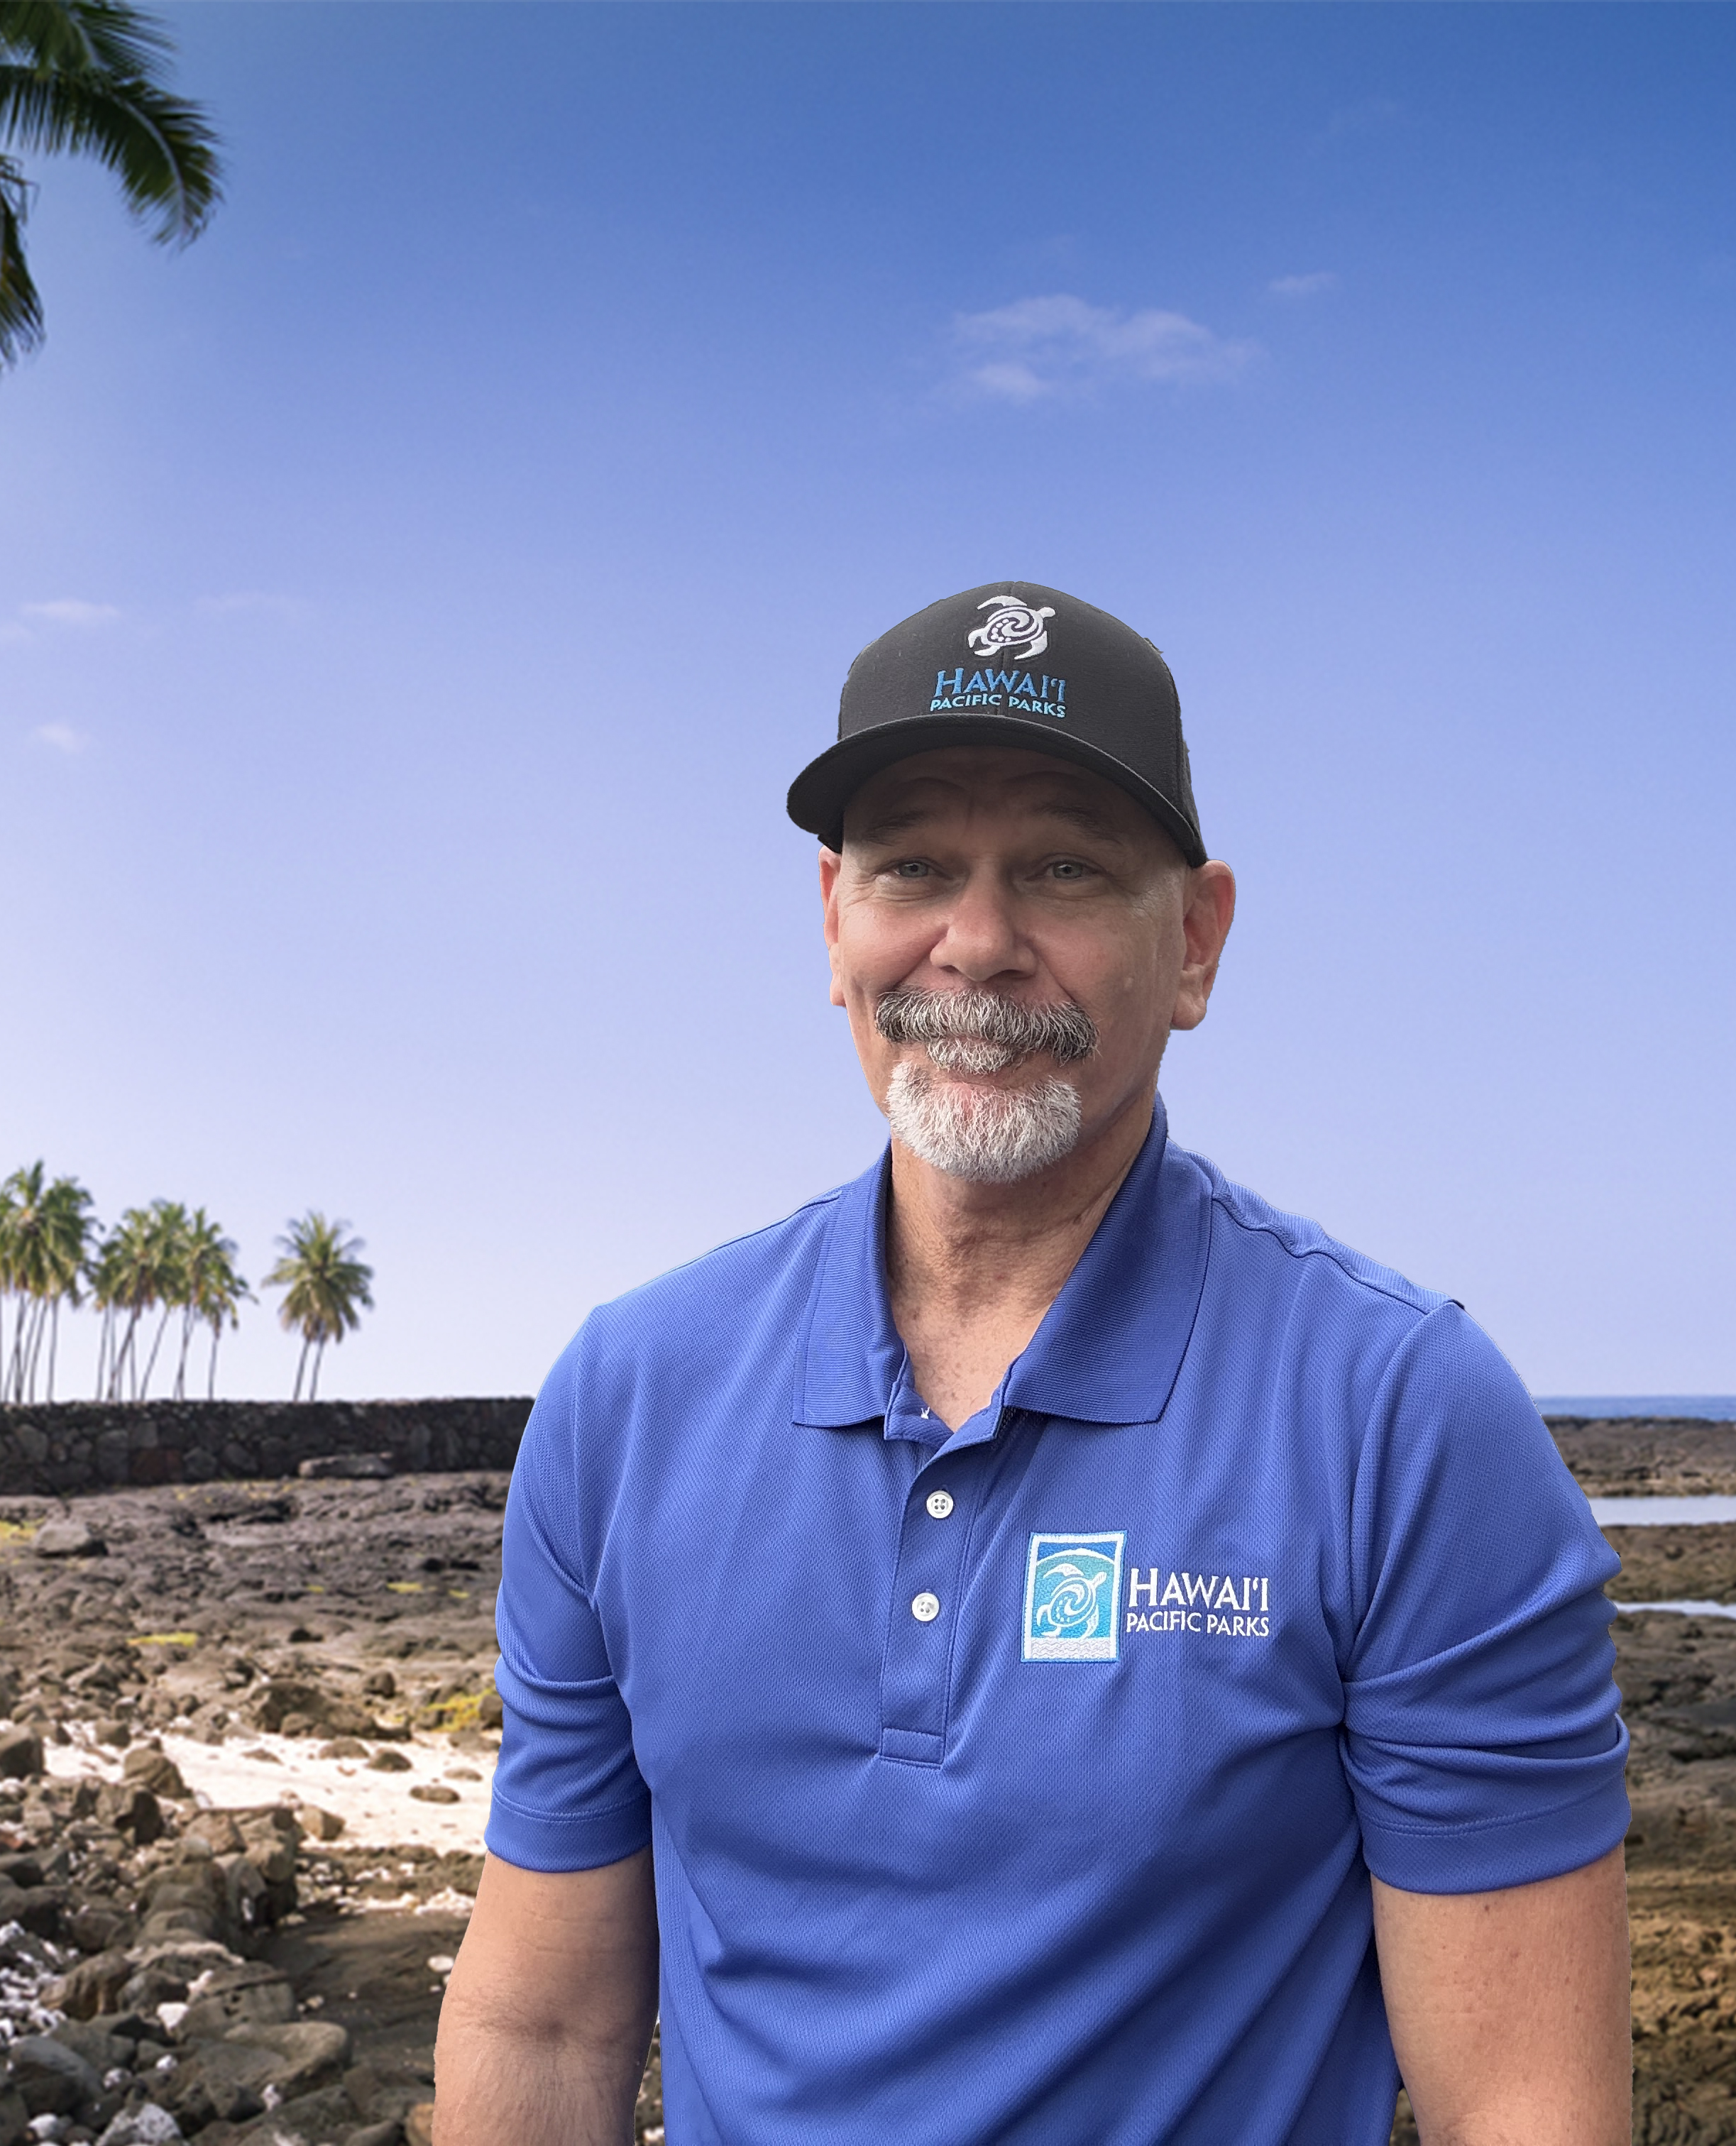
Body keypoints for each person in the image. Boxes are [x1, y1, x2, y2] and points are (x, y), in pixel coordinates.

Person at [434, 583, 1633, 2145]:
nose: (978, 945)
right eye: (914, 866)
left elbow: (1526, 2113)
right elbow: (542, 2027)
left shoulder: (1397, 1416)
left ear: (1194, 942)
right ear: (833, 922)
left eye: (1062, 869)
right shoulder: (629, 1396)